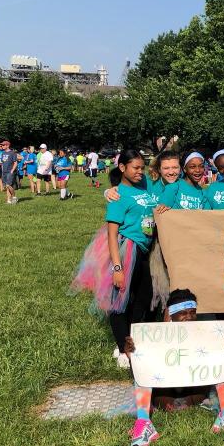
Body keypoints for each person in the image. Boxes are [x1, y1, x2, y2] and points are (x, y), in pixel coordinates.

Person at [124, 288, 224, 446]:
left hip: (194, 394)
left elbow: (220, 370)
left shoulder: (207, 335)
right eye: (183, 313)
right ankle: (143, 424)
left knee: (221, 360)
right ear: (171, 314)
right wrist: (133, 356)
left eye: (192, 312)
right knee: (144, 364)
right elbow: (140, 373)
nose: (189, 317)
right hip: (166, 397)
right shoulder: (154, 337)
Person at [71, 150, 164, 362]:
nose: (140, 172)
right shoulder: (118, 196)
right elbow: (112, 235)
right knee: (120, 300)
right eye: (135, 168)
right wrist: (117, 268)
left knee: (144, 297)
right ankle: (122, 349)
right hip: (127, 249)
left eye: (142, 168)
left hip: (145, 248)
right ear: (122, 168)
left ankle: (130, 338)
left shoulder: (144, 184)